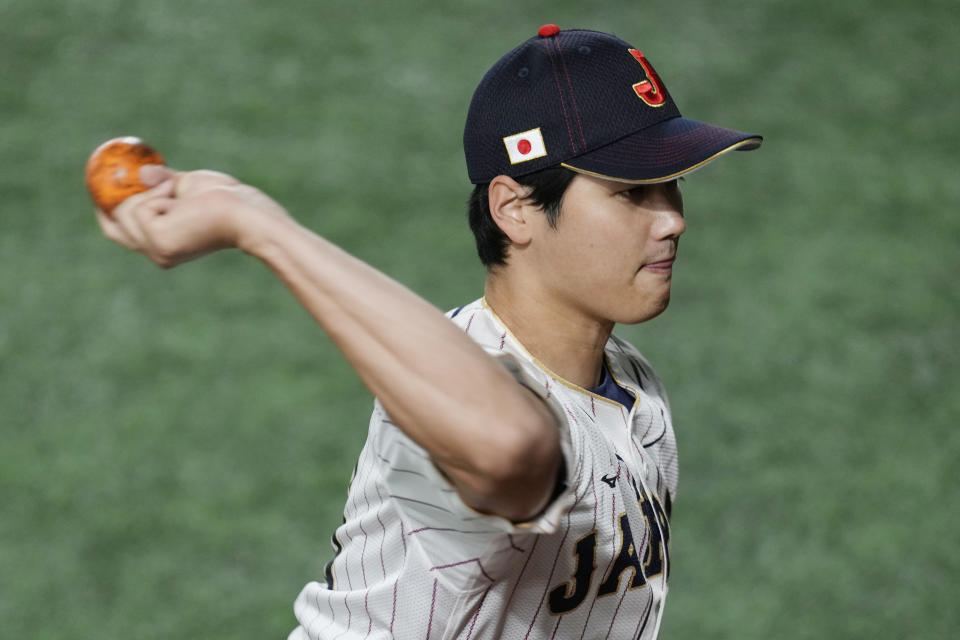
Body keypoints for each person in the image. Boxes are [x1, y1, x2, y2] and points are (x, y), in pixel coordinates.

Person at [98, 24, 760, 640]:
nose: (671, 219)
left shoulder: (631, 382)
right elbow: (511, 446)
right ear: (514, 209)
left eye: (669, 185)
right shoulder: (449, 408)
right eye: (629, 192)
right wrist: (258, 226)